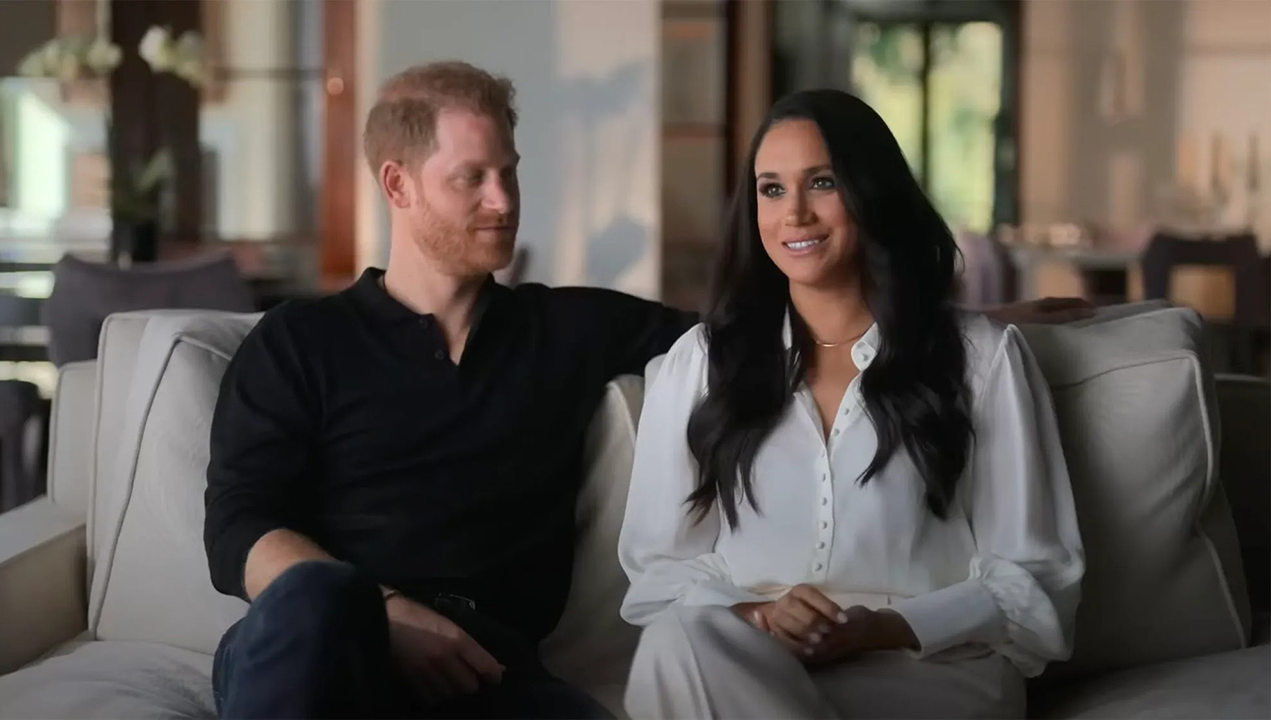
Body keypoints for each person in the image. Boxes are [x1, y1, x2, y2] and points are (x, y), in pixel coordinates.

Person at [205, 61, 1087, 719]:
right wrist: (388, 614)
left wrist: (960, 314)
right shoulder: (299, 342)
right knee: (317, 600)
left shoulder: (570, 330)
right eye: (471, 178)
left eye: (509, 171)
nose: (503, 199)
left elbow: (792, 313)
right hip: (334, 644)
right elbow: (239, 525)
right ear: (397, 185)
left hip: (491, 670)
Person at [617, 89, 1085, 719]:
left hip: (928, 671)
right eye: (772, 189)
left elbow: (1037, 579)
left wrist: (877, 628)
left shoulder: (982, 358)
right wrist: (756, 615)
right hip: (749, 664)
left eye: (823, 183)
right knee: (675, 644)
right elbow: (655, 576)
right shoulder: (701, 363)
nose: (796, 214)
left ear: (871, 194)